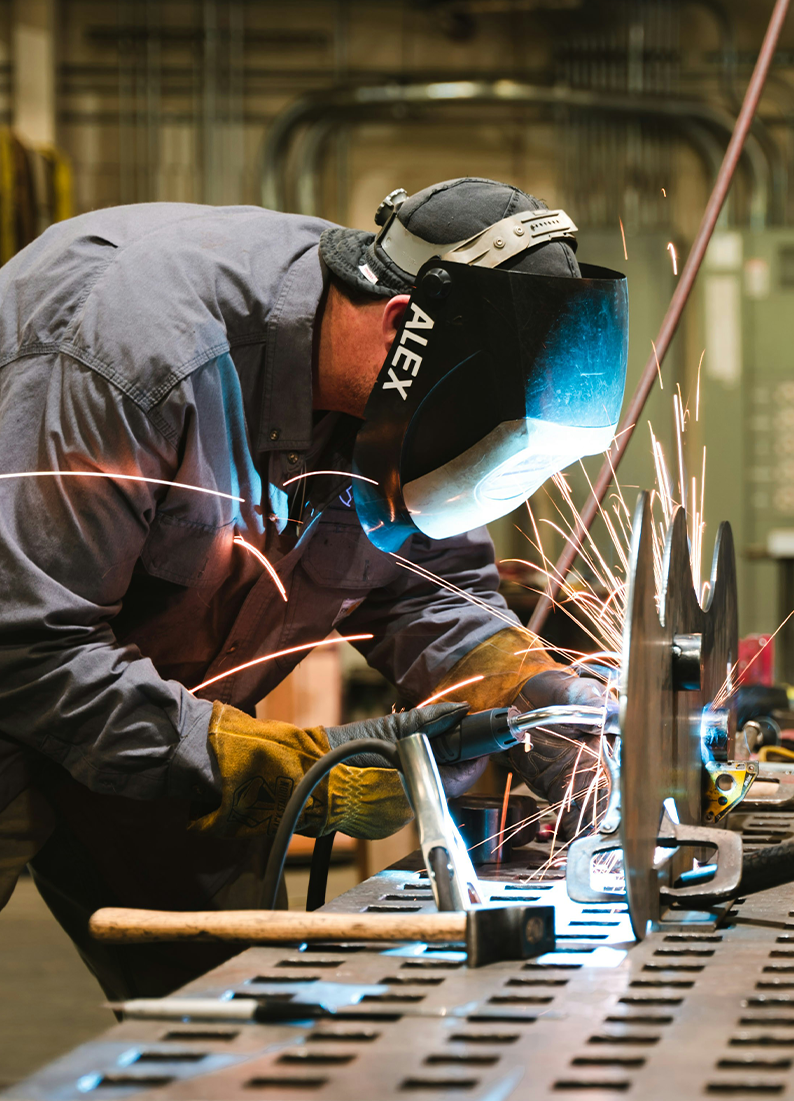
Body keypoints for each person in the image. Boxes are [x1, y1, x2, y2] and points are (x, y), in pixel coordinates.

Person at [0, 177, 627, 999]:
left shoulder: (402, 394)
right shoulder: (129, 356)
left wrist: (535, 691)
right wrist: (264, 766)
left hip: (157, 718)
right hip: (28, 678)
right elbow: (28, 646)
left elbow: (428, 591)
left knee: (238, 1012)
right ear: (406, 332)